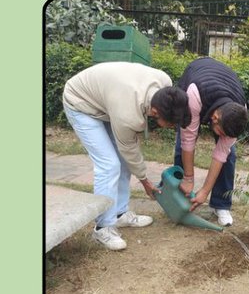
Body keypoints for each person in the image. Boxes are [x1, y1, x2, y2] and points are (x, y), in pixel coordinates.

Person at [62, 61, 176, 251]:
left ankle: (119, 213)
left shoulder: (165, 83)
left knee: (122, 161)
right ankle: (103, 227)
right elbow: (130, 148)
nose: (173, 128)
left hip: (108, 102)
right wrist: (145, 182)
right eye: (171, 124)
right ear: (155, 112)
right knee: (109, 164)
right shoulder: (128, 113)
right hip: (80, 102)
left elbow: (128, 153)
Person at [151, 57, 249, 227]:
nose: (223, 137)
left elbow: (220, 153)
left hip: (224, 86)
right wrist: (188, 179)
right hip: (197, 81)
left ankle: (221, 205)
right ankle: (178, 200)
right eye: (222, 133)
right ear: (215, 118)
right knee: (183, 145)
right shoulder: (193, 96)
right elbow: (189, 140)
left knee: (229, 155)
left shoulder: (239, 113)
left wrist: (205, 191)